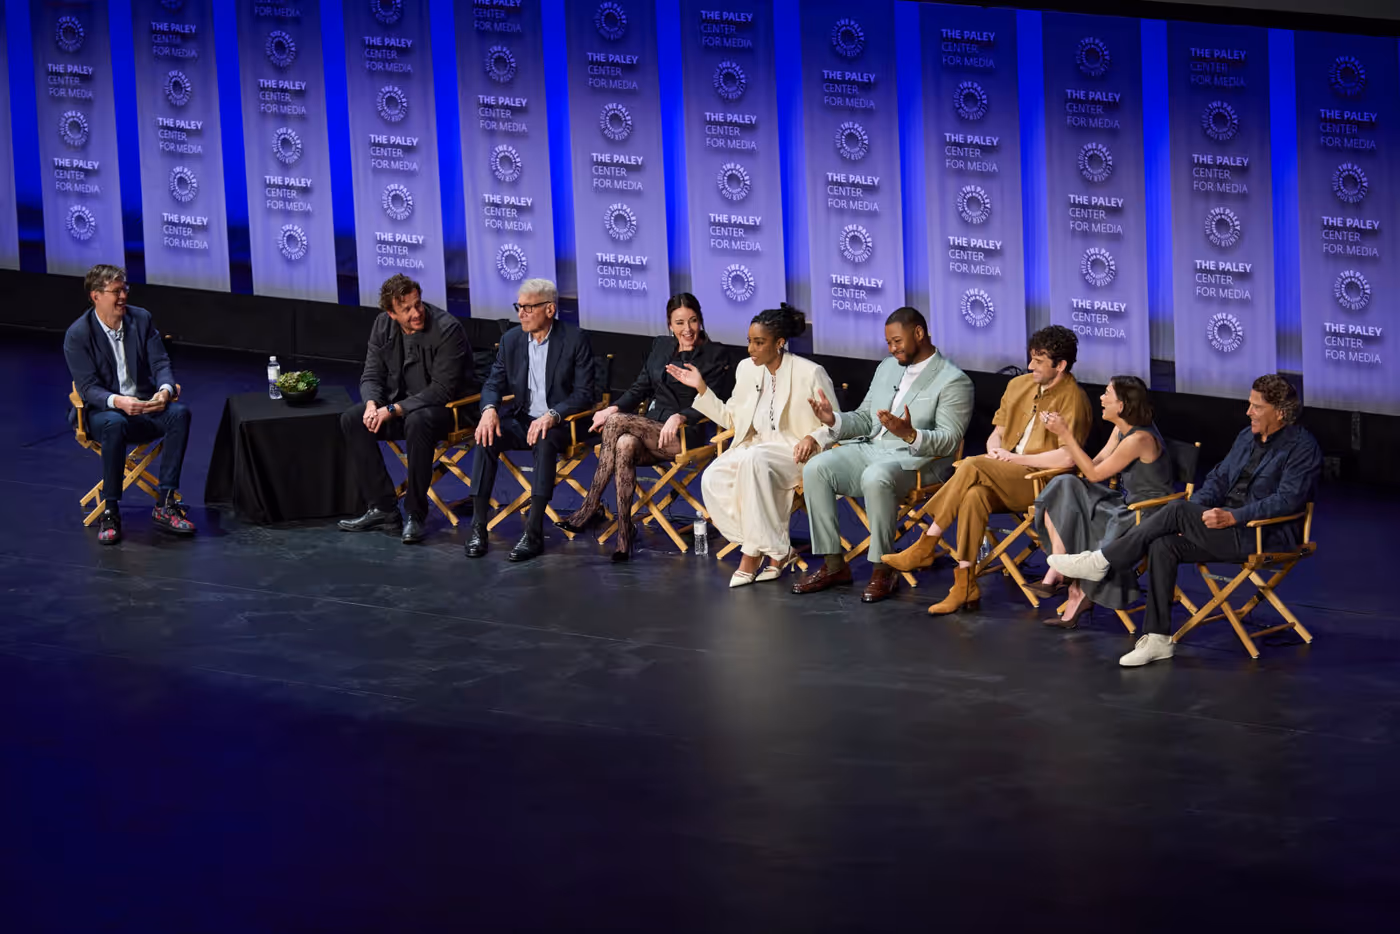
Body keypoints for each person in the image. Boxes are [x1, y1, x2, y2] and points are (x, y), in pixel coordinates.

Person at [1049, 374, 1322, 667]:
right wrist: (1200, 513)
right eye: (1249, 404)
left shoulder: (1303, 447)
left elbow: (1287, 500)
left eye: (1256, 407)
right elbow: (1217, 479)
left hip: (1262, 534)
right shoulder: (1247, 437)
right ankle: (1158, 639)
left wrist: (1234, 516)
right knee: (1164, 544)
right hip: (1223, 527)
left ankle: (1101, 561)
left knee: (1177, 510)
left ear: (1280, 412)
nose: (1248, 412)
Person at [883, 325, 1093, 614]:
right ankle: (964, 583)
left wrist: (1011, 459)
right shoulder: (1018, 386)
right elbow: (998, 432)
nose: (1030, 366)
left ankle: (927, 542)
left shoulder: (1075, 399)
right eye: (1030, 358)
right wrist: (996, 450)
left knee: (971, 464)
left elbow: (1068, 458)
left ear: (1061, 365)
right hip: (1002, 471)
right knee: (974, 496)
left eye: (1039, 362)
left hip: (1040, 483)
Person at [790, 307, 973, 603]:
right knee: (817, 468)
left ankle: (883, 568)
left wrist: (910, 434)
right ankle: (834, 564)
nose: (892, 349)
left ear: (919, 333)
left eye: (897, 341)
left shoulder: (954, 381)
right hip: (872, 448)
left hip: (918, 462)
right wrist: (832, 419)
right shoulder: (887, 367)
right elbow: (865, 418)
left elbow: (950, 441)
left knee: (877, 476)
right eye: (888, 343)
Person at [668, 305, 837, 588]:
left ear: (779, 343)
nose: (750, 349)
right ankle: (776, 550)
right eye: (749, 341)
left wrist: (814, 438)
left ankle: (750, 555)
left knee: (754, 460)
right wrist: (701, 389)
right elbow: (731, 417)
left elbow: (834, 424)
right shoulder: (747, 369)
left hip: (796, 451)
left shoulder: (811, 373)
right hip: (756, 446)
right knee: (713, 477)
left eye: (759, 342)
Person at [556, 292, 730, 561]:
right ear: (669, 325)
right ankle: (624, 535)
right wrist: (613, 407)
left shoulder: (715, 354)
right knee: (624, 443)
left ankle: (589, 507)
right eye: (680, 322)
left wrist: (682, 416)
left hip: (682, 434)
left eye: (693, 321)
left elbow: (716, 399)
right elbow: (641, 387)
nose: (688, 329)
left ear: (701, 320)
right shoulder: (661, 346)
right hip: (648, 428)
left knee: (616, 424)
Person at [466, 278, 596, 563]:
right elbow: (493, 382)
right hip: (522, 417)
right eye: (519, 306)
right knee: (486, 437)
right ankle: (478, 528)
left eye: (528, 307)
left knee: (544, 439)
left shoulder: (575, 340)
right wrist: (489, 409)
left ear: (550, 309)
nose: (520, 313)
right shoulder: (512, 340)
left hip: (562, 424)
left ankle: (533, 533)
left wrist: (552, 414)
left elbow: (585, 393)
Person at [63, 264, 195, 545]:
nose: (123, 296)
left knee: (179, 414)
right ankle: (110, 511)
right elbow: (87, 389)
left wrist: (164, 390)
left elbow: (161, 362)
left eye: (125, 289)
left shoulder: (141, 319)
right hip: (102, 414)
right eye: (116, 291)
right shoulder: (78, 334)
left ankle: (166, 502)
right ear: (95, 296)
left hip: (143, 407)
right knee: (114, 422)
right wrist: (118, 401)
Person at [338, 274, 473, 544]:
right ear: (391, 313)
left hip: (450, 411)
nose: (416, 313)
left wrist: (393, 409)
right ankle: (383, 508)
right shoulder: (382, 325)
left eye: (418, 304)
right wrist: (372, 405)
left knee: (418, 421)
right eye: (407, 309)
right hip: (400, 406)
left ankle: (415, 513)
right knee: (352, 419)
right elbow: (371, 375)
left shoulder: (448, 329)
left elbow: (441, 391)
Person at [1030, 375, 1174, 627]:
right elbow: (1095, 466)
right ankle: (1060, 568)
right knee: (1064, 485)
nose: (1101, 398)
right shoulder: (1121, 430)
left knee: (1081, 507)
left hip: (1145, 513)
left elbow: (1094, 475)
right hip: (1123, 503)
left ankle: (1074, 587)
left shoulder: (1139, 439)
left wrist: (1067, 435)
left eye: (1107, 393)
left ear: (1122, 405)